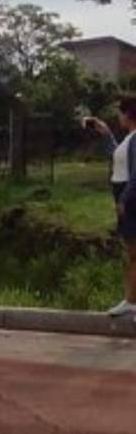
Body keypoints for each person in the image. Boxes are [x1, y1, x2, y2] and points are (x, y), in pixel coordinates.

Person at [86, 100, 136, 317]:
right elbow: (117, 158)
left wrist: (125, 198)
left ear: (129, 114)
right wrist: (105, 133)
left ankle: (132, 300)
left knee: (135, 253)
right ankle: (131, 300)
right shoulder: (129, 139)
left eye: (121, 113)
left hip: (130, 198)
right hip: (124, 196)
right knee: (132, 253)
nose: (119, 117)